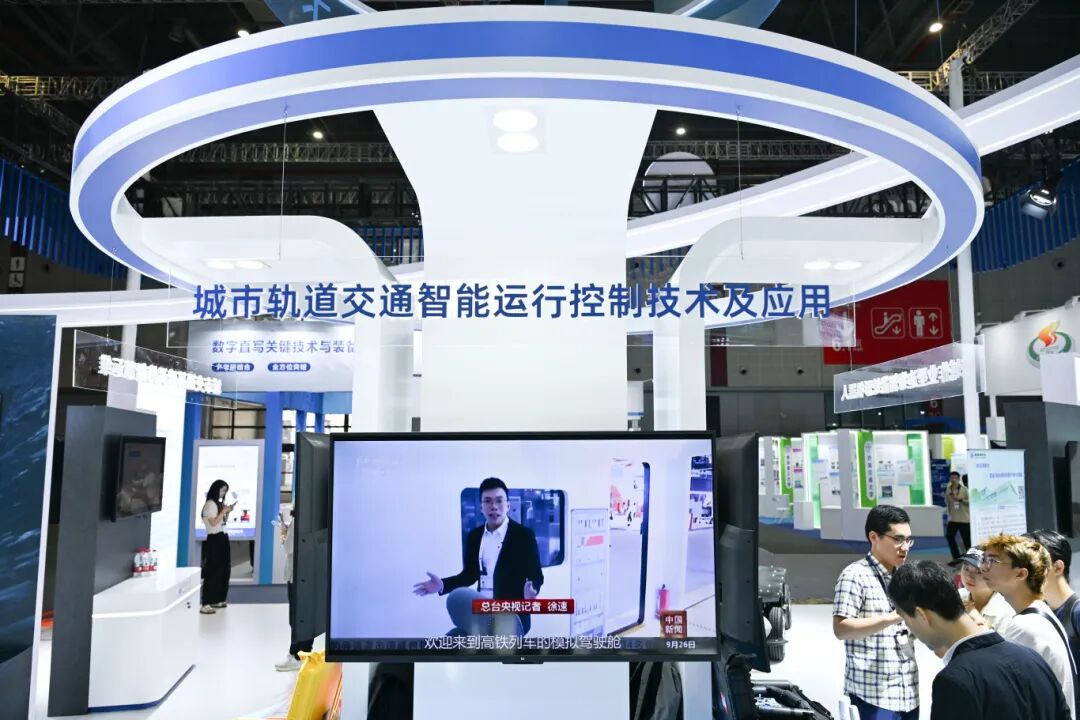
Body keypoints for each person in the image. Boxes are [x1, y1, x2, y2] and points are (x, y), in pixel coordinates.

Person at [886, 560, 1070, 720]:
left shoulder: (954, 680)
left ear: (921, 615)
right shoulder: (1031, 657)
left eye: (906, 620)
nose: (910, 629)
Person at [413, 477, 544, 635]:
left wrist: (532, 590)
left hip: (511, 618)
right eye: (487, 501)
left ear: (508, 505)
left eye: (499, 501)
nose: (493, 506)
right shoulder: (474, 536)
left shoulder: (524, 536)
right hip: (481, 615)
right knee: (452, 638)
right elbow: (469, 575)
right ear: (481, 507)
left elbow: (536, 575)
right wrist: (442, 585)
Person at [832, 505, 919, 720]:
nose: (905, 547)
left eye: (908, 540)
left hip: (908, 691)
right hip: (872, 695)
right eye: (898, 539)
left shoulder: (906, 577)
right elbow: (841, 629)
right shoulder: (855, 575)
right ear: (874, 537)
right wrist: (893, 617)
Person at [980, 534, 1077, 719]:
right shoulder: (1041, 613)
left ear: (1021, 574)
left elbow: (1007, 698)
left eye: (993, 561)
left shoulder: (1024, 626)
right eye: (984, 559)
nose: (984, 567)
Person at [1027, 529, 1080, 710]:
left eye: (1032, 563)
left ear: (1057, 567)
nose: (1024, 571)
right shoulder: (1039, 613)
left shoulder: (1077, 612)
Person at [275, 508, 314, 672]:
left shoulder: (298, 522)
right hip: (306, 572)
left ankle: (298, 655)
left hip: (298, 573)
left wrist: (283, 534)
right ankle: (299, 652)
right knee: (303, 615)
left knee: (297, 616)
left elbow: (288, 547)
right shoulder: (310, 519)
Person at [948, 548, 1014, 633]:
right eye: (966, 569)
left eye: (979, 571)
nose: (969, 577)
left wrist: (976, 618)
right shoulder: (954, 597)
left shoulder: (1005, 612)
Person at [200, 480, 234, 614]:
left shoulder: (218, 504)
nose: (223, 493)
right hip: (214, 540)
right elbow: (213, 523)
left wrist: (227, 512)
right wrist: (223, 510)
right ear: (216, 489)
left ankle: (217, 598)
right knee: (213, 570)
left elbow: (221, 522)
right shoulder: (210, 504)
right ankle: (206, 602)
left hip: (222, 537)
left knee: (223, 570)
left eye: (225, 491)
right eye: (222, 490)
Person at [943, 471, 970, 560]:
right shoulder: (948, 489)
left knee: (967, 541)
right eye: (951, 478)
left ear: (958, 479)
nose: (953, 479)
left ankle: (971, 559)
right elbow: (947, 502)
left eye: (955, 478)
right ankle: (956, 557)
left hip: (964, 519)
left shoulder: (964, 489)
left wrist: (961, 500)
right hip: (953, 518)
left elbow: (970, 502)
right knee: (949, 536)